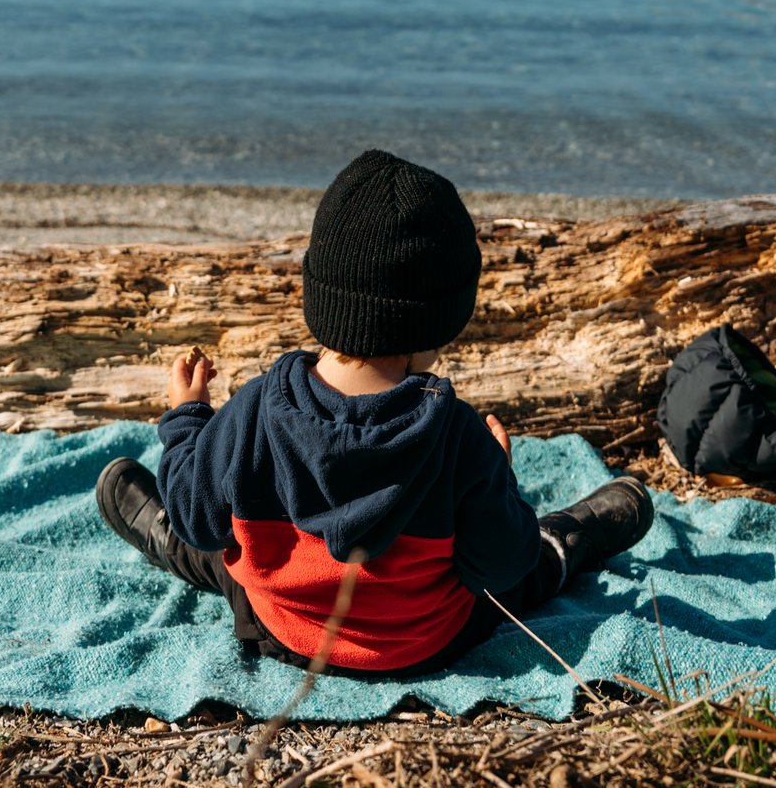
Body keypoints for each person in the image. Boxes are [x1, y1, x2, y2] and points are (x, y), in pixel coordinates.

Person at [95, 148, 653, 674]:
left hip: (282, 633)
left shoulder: (253, 410)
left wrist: (188, 419)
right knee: (527, 571)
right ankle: (569, 540)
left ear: (320, 294)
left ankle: (159, 538)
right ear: (441, 320)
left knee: (211, 549)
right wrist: (500, 485)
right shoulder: (457, 435)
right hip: (423, 645)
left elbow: (197, 512)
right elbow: (498, 563)